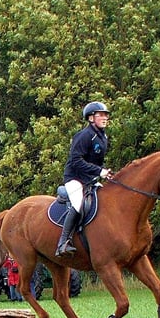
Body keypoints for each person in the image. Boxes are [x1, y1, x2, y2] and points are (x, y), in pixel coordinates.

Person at [57, 101, 113, 256]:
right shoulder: (84, 136)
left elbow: (94, 161)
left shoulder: (103, 137)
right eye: (100, 115)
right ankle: (63, 242)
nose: (104, 117)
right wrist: (98, 171)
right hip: (74, 178)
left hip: (90, 179)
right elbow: (76, 161)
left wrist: (104, 172)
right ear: (90, 118)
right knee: (78, 203)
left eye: (105, 115)